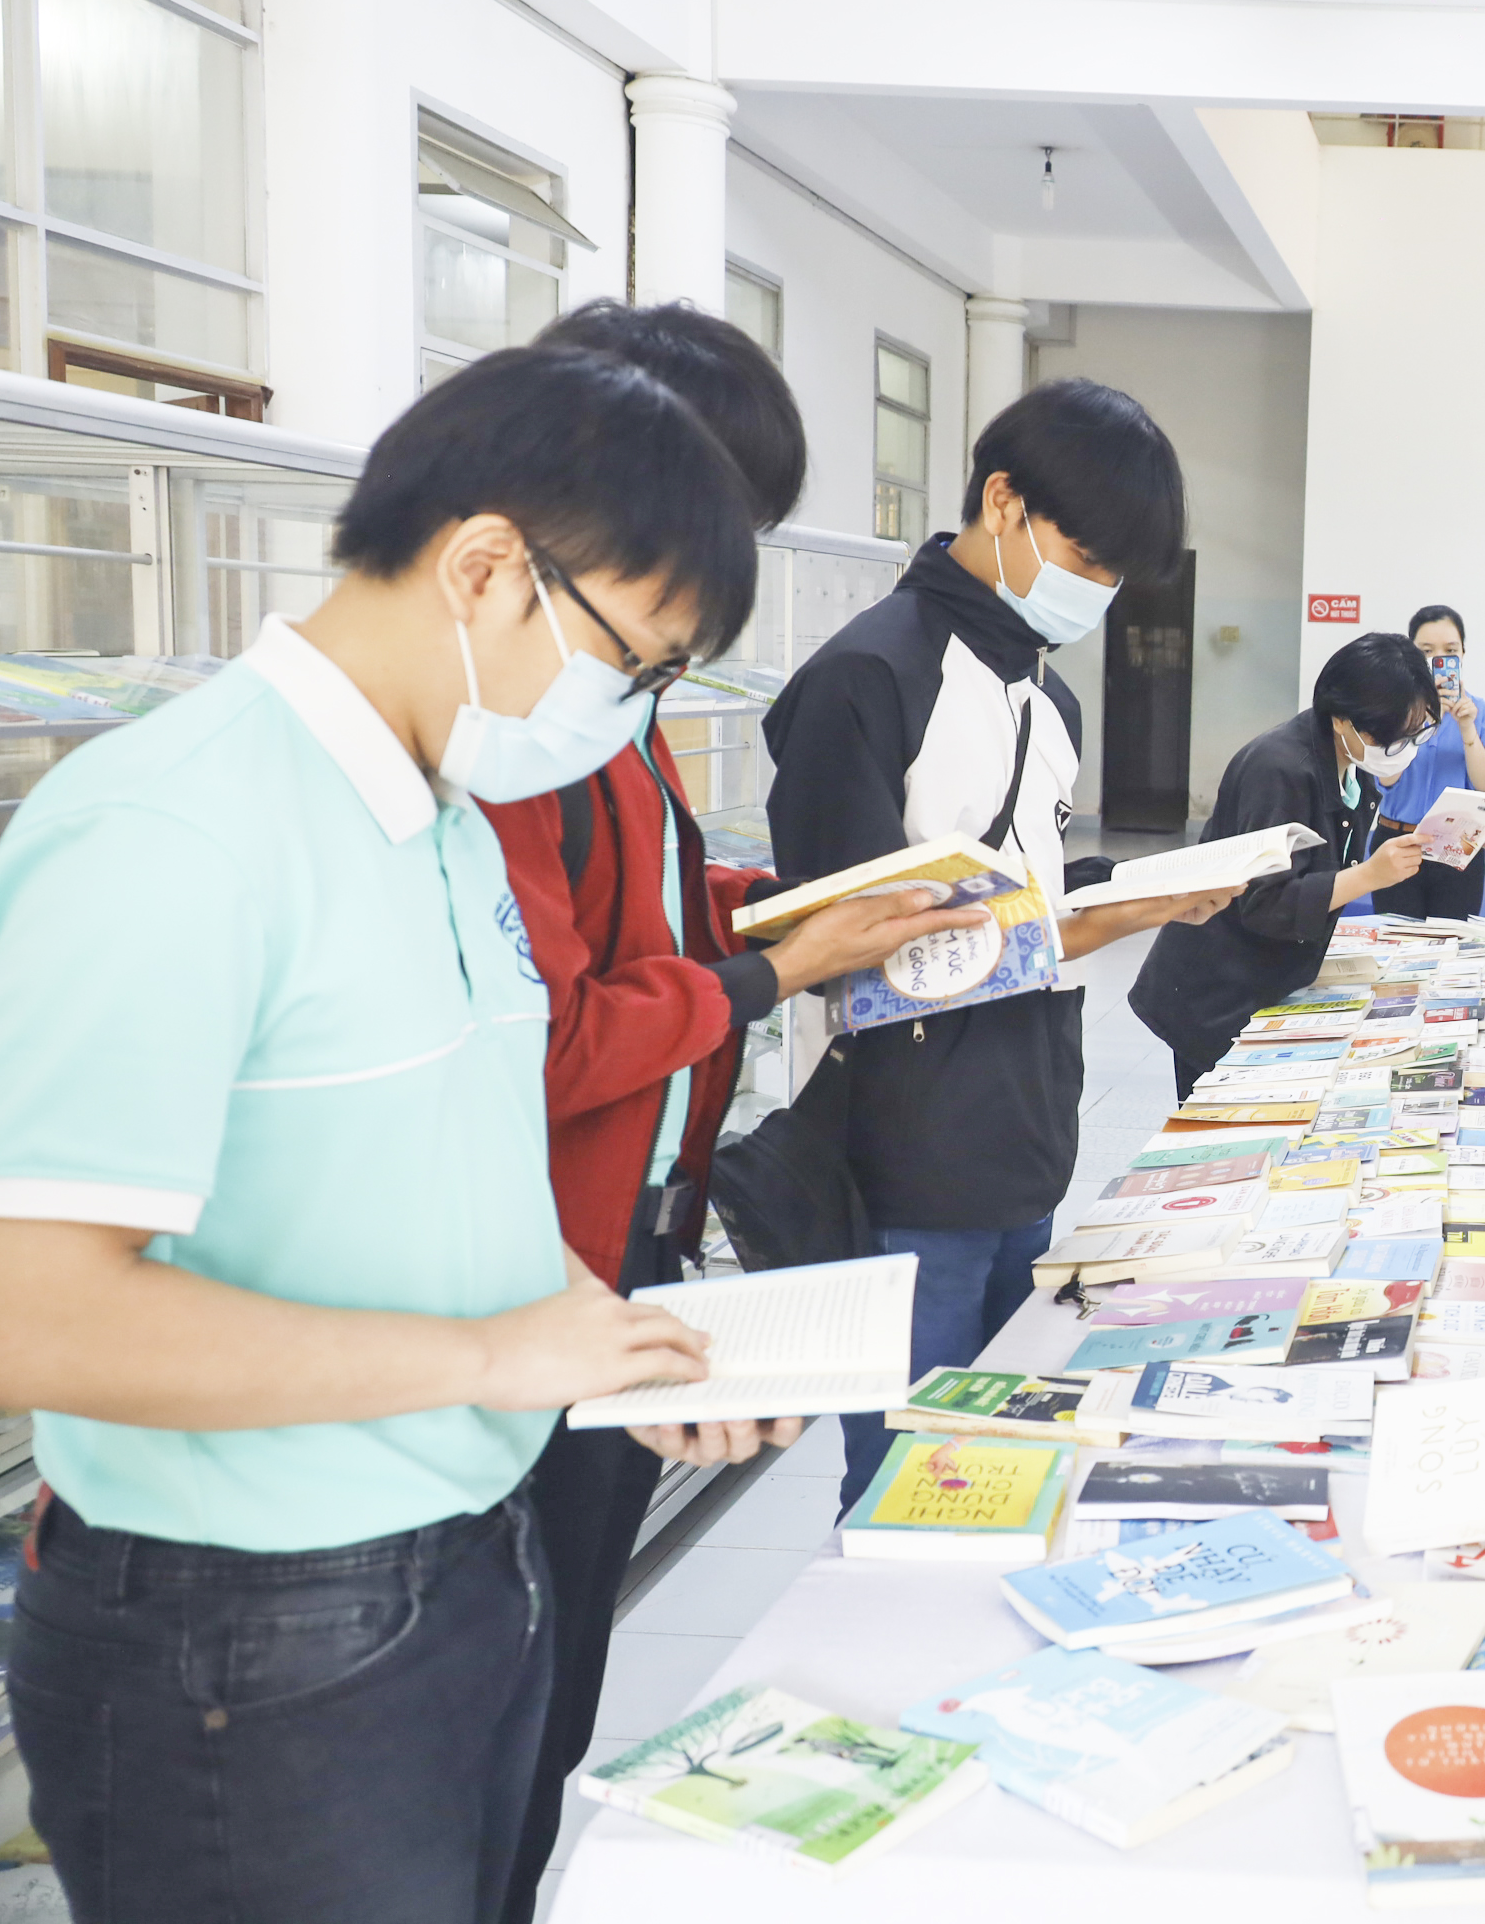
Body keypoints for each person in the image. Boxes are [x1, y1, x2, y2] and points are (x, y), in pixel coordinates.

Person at [0, 347, 762, 1922]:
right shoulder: (170, 834)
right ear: (485, 567)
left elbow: (424, 1189)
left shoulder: (438, 821)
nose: (625, 716)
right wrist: (483, 1363)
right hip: (246, 1632)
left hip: (457, 1557)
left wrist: (591, 1350)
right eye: (631, 663)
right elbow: (16, 1320)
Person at [483, 303, 980, 1924]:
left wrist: (770, 912)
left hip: (610, 1260)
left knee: (543, 1706)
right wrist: (766, 979)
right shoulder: (517, 730)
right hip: (533, 1277)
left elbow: (636, 921)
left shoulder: (604, 717)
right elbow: (545, 1033)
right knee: (495, 1721)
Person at [761, 379, 1239, 1515]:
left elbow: (1025, 909)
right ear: (1002, 499)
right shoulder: (871, 676)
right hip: (904, 1145)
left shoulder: (1044, 694)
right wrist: (1096, 913)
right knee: (902, 1481)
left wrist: (1150, 899)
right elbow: (844, 945)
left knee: (992, 1465)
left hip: (1024, 1127)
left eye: (1122, 573)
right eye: (1087, 554)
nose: (1100, 590)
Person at [1132, 634, 1442, 1094]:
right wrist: (1370, 875)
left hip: (1273, 977)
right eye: (1394, 737)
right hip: (1217, 989)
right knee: (1226, 1132)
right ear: (1342, 718)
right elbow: (1265, 902)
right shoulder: (1278, 769)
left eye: (1417, 734)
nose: (1404, 748)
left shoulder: (1350, 765)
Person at [1369, 603, 1485, 921]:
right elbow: (1386, 780)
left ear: (1462, 655)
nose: (1437, 660)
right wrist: (1419, 722)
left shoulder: (1482, 714)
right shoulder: (1391, 710)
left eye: (1449, 651)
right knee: (1395, 944)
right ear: (1411, 656)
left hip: (1459, 844)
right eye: (1426, 651)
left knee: (1453, 944)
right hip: (1398, 840)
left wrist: (1467, 728)